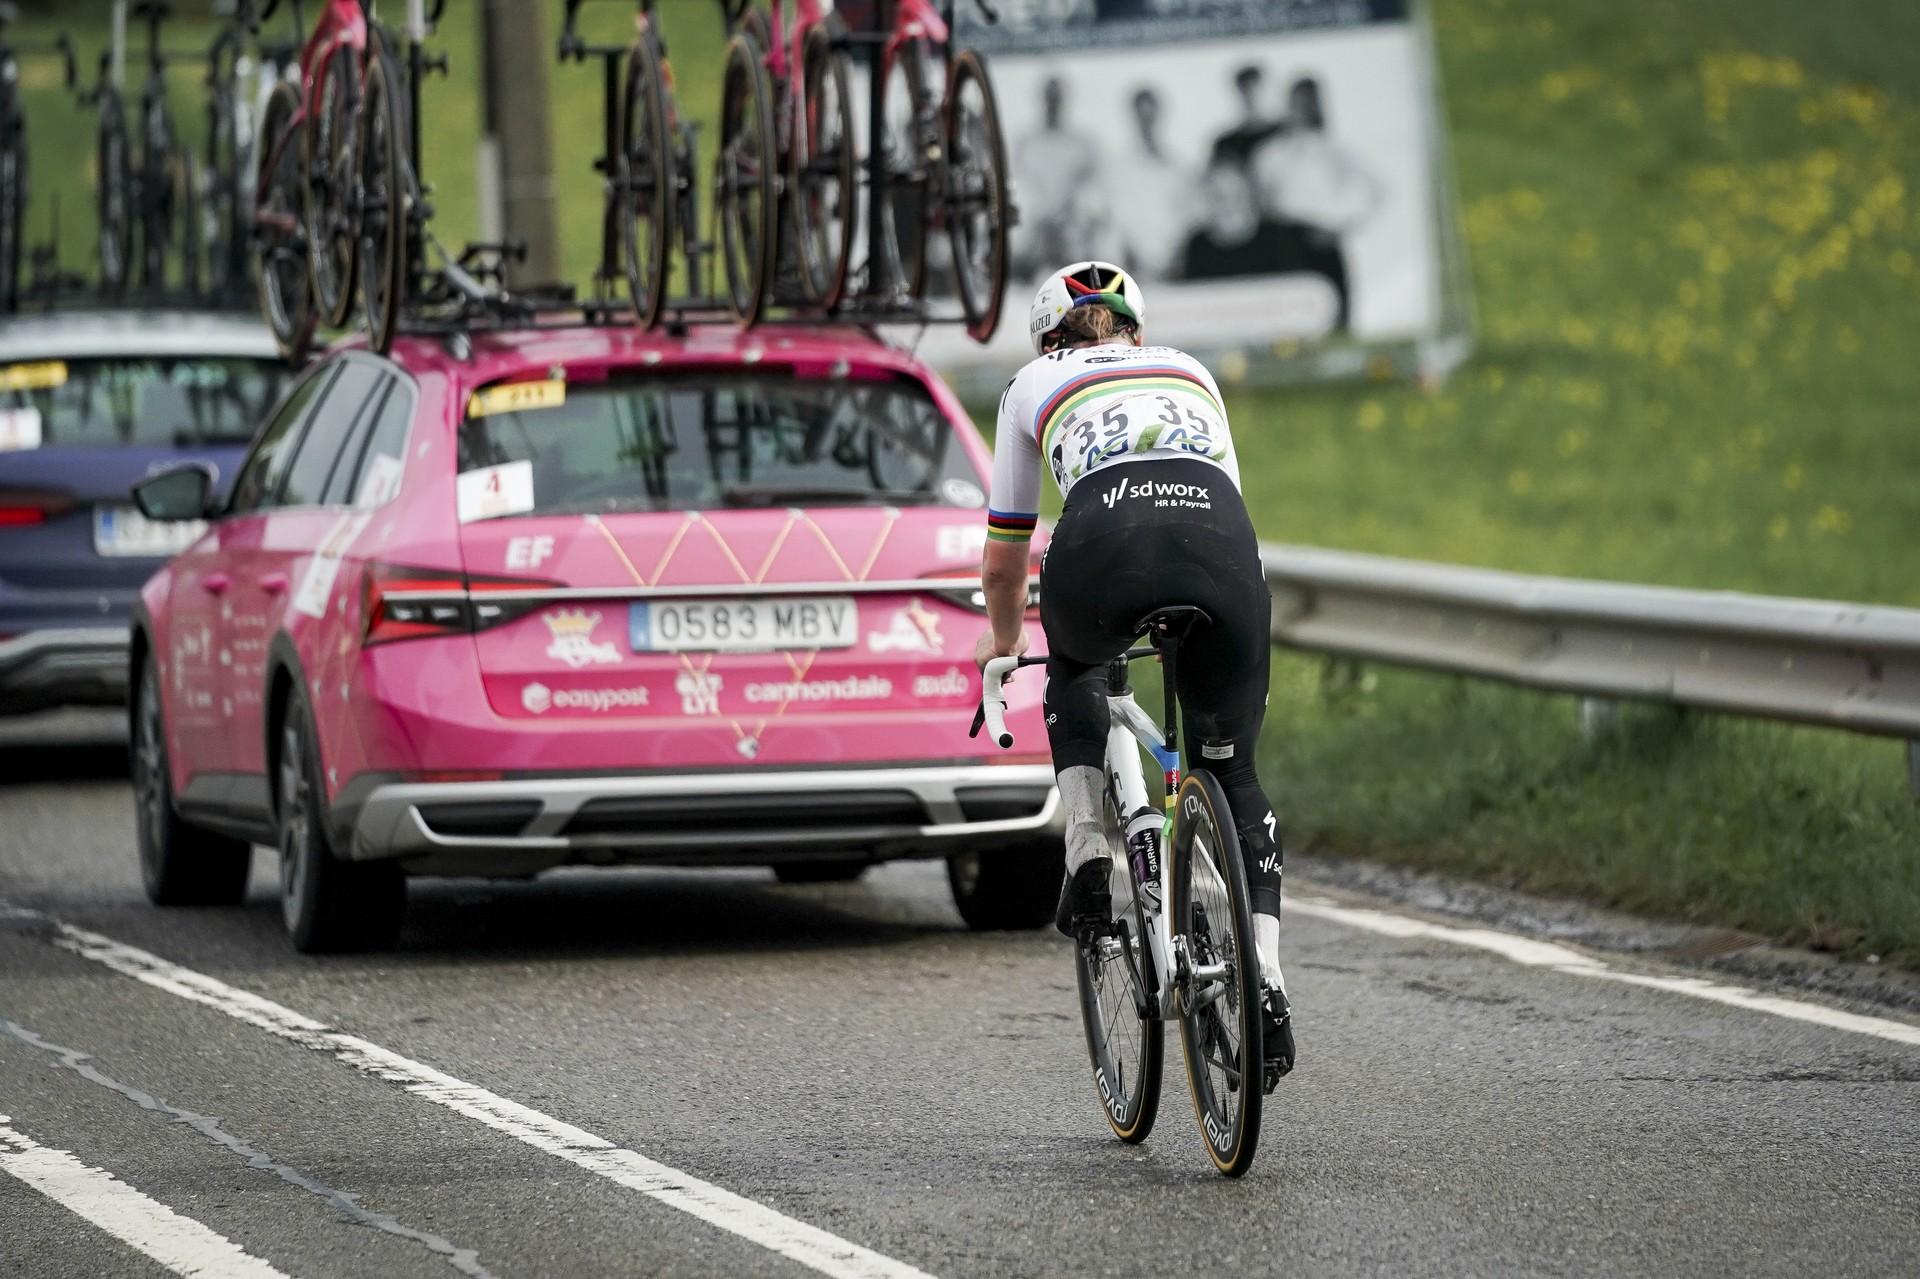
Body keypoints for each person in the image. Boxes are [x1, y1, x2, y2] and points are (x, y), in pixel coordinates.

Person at [976, 260, 1294, 1085]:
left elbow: (1006, 556)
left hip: (1102, 548)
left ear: (1050, 337)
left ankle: (1087, 856)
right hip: (1217, 547)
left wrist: (1002, 647)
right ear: (1136, 331)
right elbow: (1231, 500)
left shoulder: (1030, 383)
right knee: (1233, 769)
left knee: (1075, 664)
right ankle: (1264, 970)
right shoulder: (1190, 369)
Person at [1252, 76, 1381, 332]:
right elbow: (1259, 201)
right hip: (1283, 240)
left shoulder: (1333, 148)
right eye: (1295, 101)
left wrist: (1343, 226)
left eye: (1307, 102)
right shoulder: (1270, 153)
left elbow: (1375, 191)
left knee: (1335, 312)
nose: (1300, 108)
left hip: (1322, 238)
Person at [1010, 78, 1106, 282]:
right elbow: (1022, 190)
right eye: (1050, 97)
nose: (1053, 102)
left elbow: (1092, 192)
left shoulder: (1083, 143)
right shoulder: (1026, 143)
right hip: (1037, 232)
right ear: (1043, 99)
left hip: (1072, 228)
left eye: (1058, 97)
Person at [1120, 87, 1197, 282]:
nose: (1147, 121)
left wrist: (1178, 257)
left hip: (1177, 266)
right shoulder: (1119, 168)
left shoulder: (1179, 165)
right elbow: (1121, 218)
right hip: (1137, 269)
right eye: (1142, 115)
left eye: (1151, 115)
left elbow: (1190, 215)